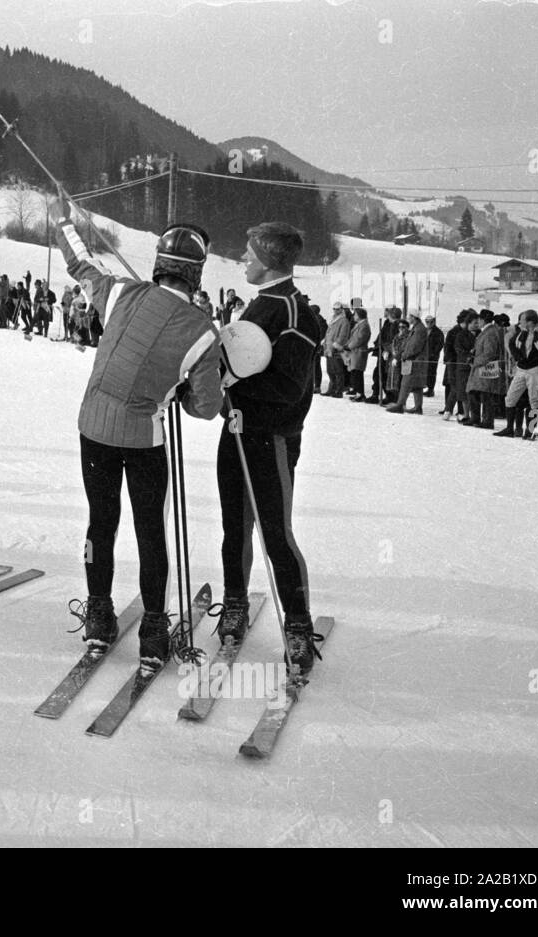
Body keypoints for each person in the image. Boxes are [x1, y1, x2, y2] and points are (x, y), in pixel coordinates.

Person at [58, 209, 223, 667]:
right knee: (150, 530)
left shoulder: (120, 294)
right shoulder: (202, 331)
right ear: (196, 274)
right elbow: (207, 408)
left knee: (100, 522)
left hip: (93, 429)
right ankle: (153, 629)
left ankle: (98, 612)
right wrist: (182, 389)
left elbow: (80, 263)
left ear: (158, 263)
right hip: (142, 439)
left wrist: (64, 221)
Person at [216, 222, 323, 674]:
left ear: (267, 259)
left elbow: (288, 385)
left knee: (275, 533)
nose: (243, 258)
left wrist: (236, 381)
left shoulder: (295, 313)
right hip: (237, 432)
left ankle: (298, 625)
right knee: (233, 528)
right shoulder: (262, 303)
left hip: (271, 439)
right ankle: (235, 603)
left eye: (248, 252)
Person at [495, 310, 538, 439]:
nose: (519, 322)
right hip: (521, 368)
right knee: (510, 398)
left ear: (530, 321)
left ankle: (531, 430)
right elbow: (512, 344)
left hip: (537, 369)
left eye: (522, 320)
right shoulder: (522, 332)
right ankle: (509, 428)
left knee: (534, 400)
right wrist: (518, 357)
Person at [465, 310, 503, 429]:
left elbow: (489, 353)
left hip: (486, 368)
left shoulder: (490, 332)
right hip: (483, 367)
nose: (477, 324)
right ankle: (476, 418)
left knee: (486, 394)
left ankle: (486, 420)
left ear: (482, 320)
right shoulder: (487, 331)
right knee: (475, 392)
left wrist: (475, 361)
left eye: (478, 321)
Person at [386, 311, 428, 414]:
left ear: (414, 317)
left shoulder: (419, 330)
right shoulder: (417, 328)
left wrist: (404, 355)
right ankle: (418, 407)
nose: (408, 318)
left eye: (409, 316)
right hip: (416, 361)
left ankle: (400, 405)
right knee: (417, 385)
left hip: (414, 361)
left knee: (406, 383)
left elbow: (414, 347)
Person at [441, 310, 475, 421]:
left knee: (460, 388)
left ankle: (455, 410)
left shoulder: (467, 332)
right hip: (454, 363)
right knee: (456, 387)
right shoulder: (454, 332)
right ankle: (449, 410)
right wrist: (449, 360)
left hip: (461, 363)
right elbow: (448, 348)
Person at [323, 302, 350, 397]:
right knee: (330, 370)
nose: (335, 310)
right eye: (334, 309)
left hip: (336, 349)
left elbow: (343, 335)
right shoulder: (333, 319)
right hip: (329, 348)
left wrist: (336, 345)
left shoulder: (344, 321)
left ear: (341, 309)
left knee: (338, 371)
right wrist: (325, 343)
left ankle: (338, 391)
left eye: (337, 309)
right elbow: (328, 333)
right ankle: (331, 389)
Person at [344, 307, 370, 401]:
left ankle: (360, 394)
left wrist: (349, 346)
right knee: (355, 373)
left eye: (355, 314)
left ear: (359, 315)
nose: (354, 316)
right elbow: (353, 338)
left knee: (358, 373)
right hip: (354, 352)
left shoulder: (364, 325)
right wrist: (347, 345)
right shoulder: (359, 324)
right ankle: (357, 392)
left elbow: (359, 339)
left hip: (358, 352)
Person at [423, 314, 445, 396]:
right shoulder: (424, 331)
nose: (429, 323)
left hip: (433, 357)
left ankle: (431, 389)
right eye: (427, 322)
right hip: (424, 356)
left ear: (434, 322)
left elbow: (440, 344)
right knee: (425, 372)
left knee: (431, 372)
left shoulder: (438, 332)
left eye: (431, 322)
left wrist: (433, 354)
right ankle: (426, 387)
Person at [310, 304, 327, 392]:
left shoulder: (316, 319)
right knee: (315, 366)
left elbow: (320, 334)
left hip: (314, 347)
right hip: (315, 346)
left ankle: (316, 386)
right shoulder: (319, 319)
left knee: (315, 366)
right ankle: (316, 385)